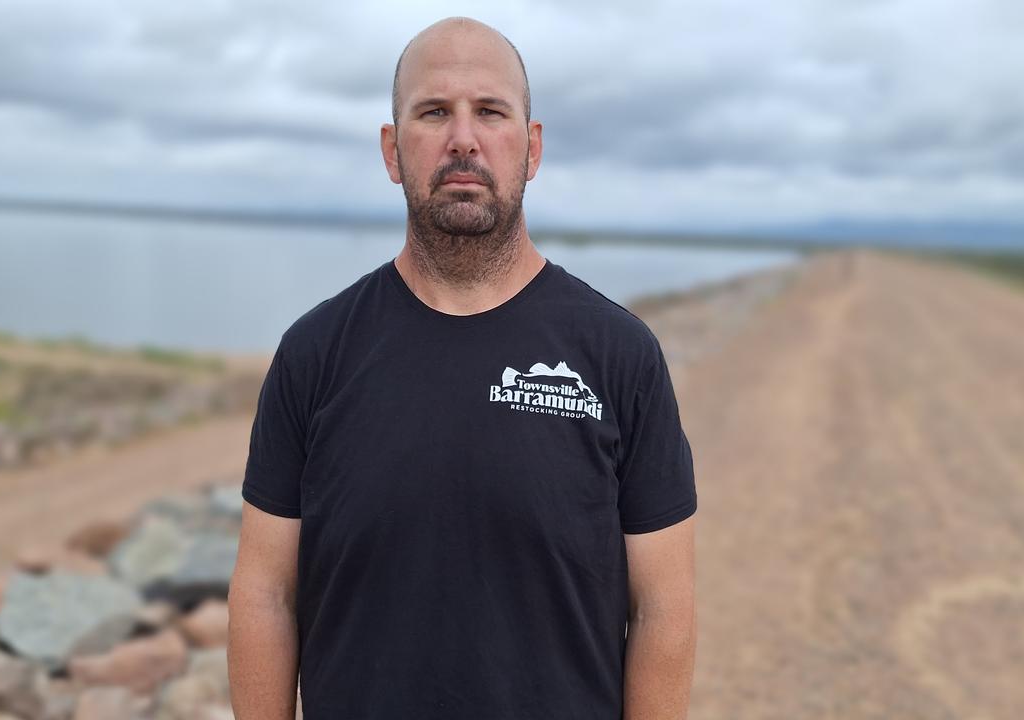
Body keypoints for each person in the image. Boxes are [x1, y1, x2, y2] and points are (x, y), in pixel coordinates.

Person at [228, 16, 697, 720]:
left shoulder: (618, 355)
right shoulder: (315, 353)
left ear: (531, 148)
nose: (464, 139)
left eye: (490, 112)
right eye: (434, 112)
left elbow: (664, 607)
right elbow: (267, 593)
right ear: (392, 151)